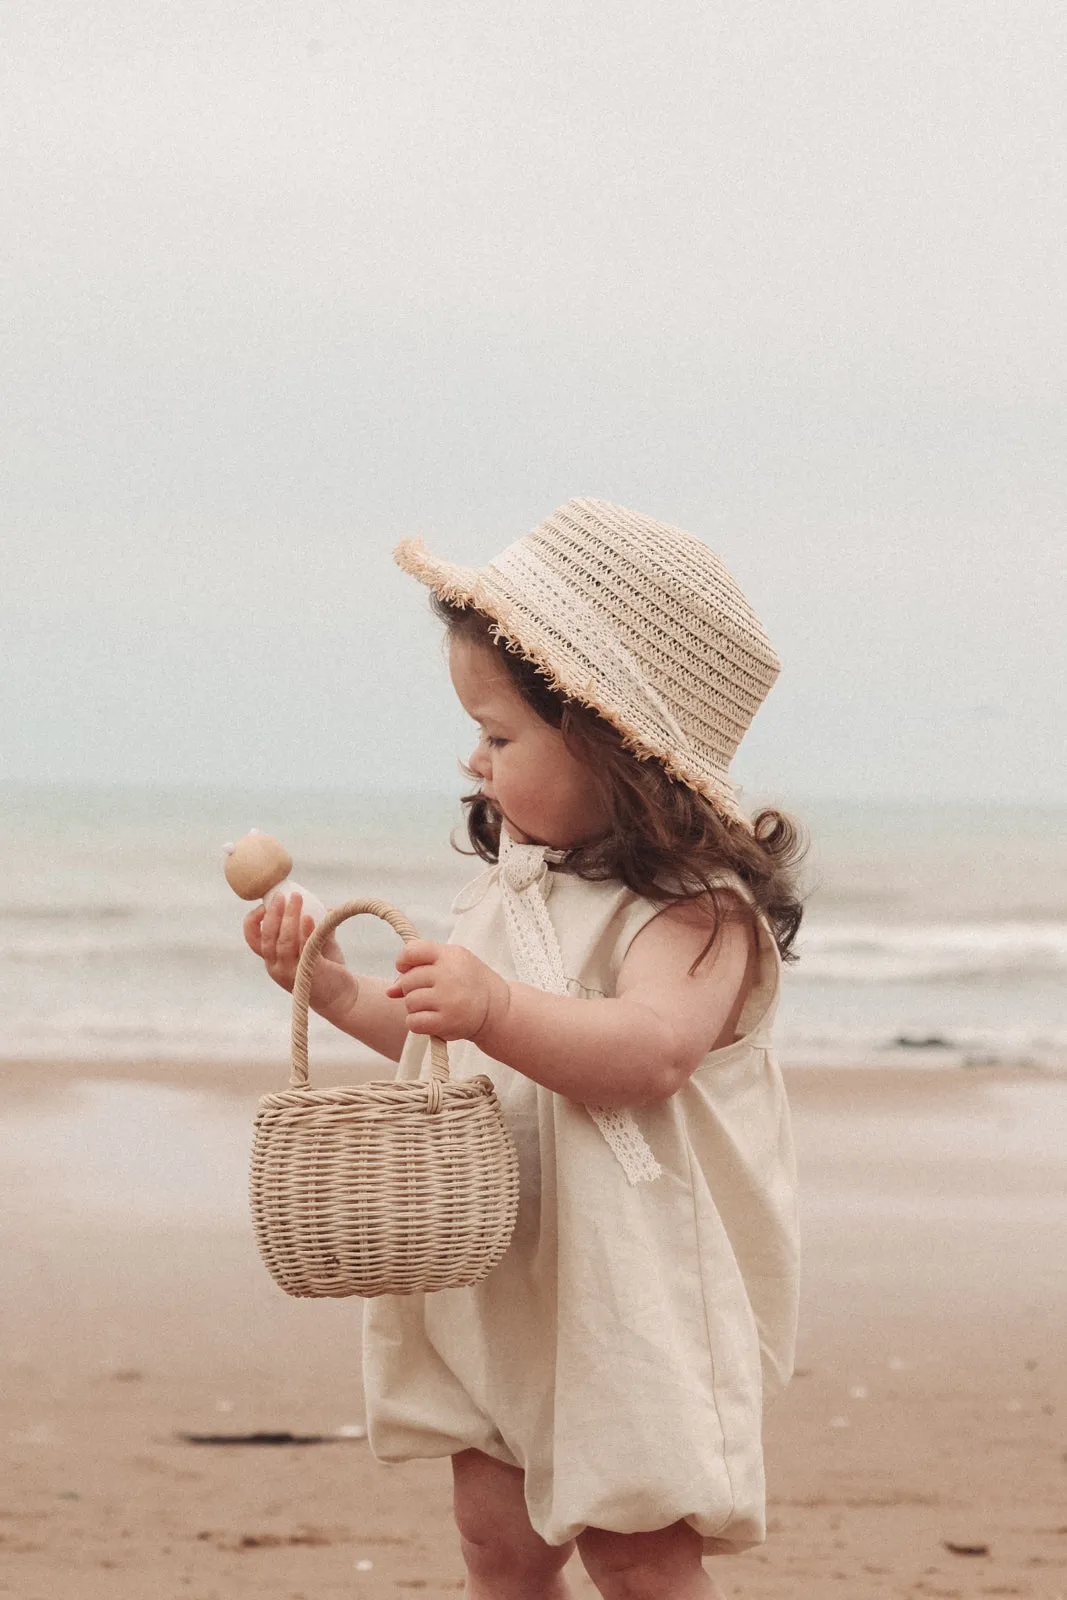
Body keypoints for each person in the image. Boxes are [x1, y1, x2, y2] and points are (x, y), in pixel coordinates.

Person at [244, 498, 808, 1599]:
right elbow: (446, 1045)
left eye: (499, 735)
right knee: (494, 1537)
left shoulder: (696, 913)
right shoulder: (513, 887)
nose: (474, 757)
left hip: (628, 1283)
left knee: (638, 1549)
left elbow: (644, 1053)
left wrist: (493, 1005)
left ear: (614, 745)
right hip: (508, 1273)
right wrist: (339, 988)